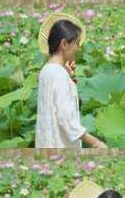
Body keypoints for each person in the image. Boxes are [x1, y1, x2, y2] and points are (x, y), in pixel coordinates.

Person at [35, 17, 107, 148]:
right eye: (77, 43)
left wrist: (70, 80)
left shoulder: (46, 70)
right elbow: (66, 118)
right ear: (64, 44)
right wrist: (95, 142)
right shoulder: (59, 74)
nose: (78, 48)